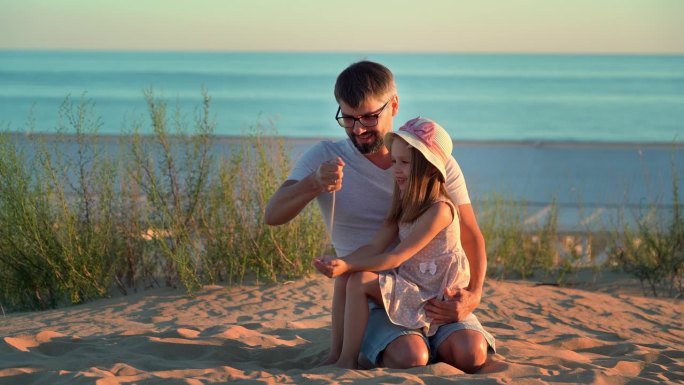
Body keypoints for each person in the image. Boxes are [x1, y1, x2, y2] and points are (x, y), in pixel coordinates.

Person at [264, 61, 495, 372]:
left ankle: (431, 340)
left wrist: (473, 295)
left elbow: (470, 233)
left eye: (370, 117)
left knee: (471, 354)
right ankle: (392, 344)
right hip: (371, 293)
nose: (359, 129)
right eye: (348, 118)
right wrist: (314, 183)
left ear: (394, 105)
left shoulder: (432, 163)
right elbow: (273, 215)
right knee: (410, 358)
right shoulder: (325, 157)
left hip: (434, 290)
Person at [312, 117, 477, 369]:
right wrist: (343, 263)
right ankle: (339, 356)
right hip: (413, 285)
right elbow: (376, 246)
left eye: (405, 163)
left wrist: (348, 265)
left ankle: (352, 357)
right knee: (351, 277)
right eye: (394, 162)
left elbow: (397, 257)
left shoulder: (440, 210)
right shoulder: (403, 197)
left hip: (435, 294)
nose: (396, 169)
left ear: (431, 169)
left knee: (470, 356)